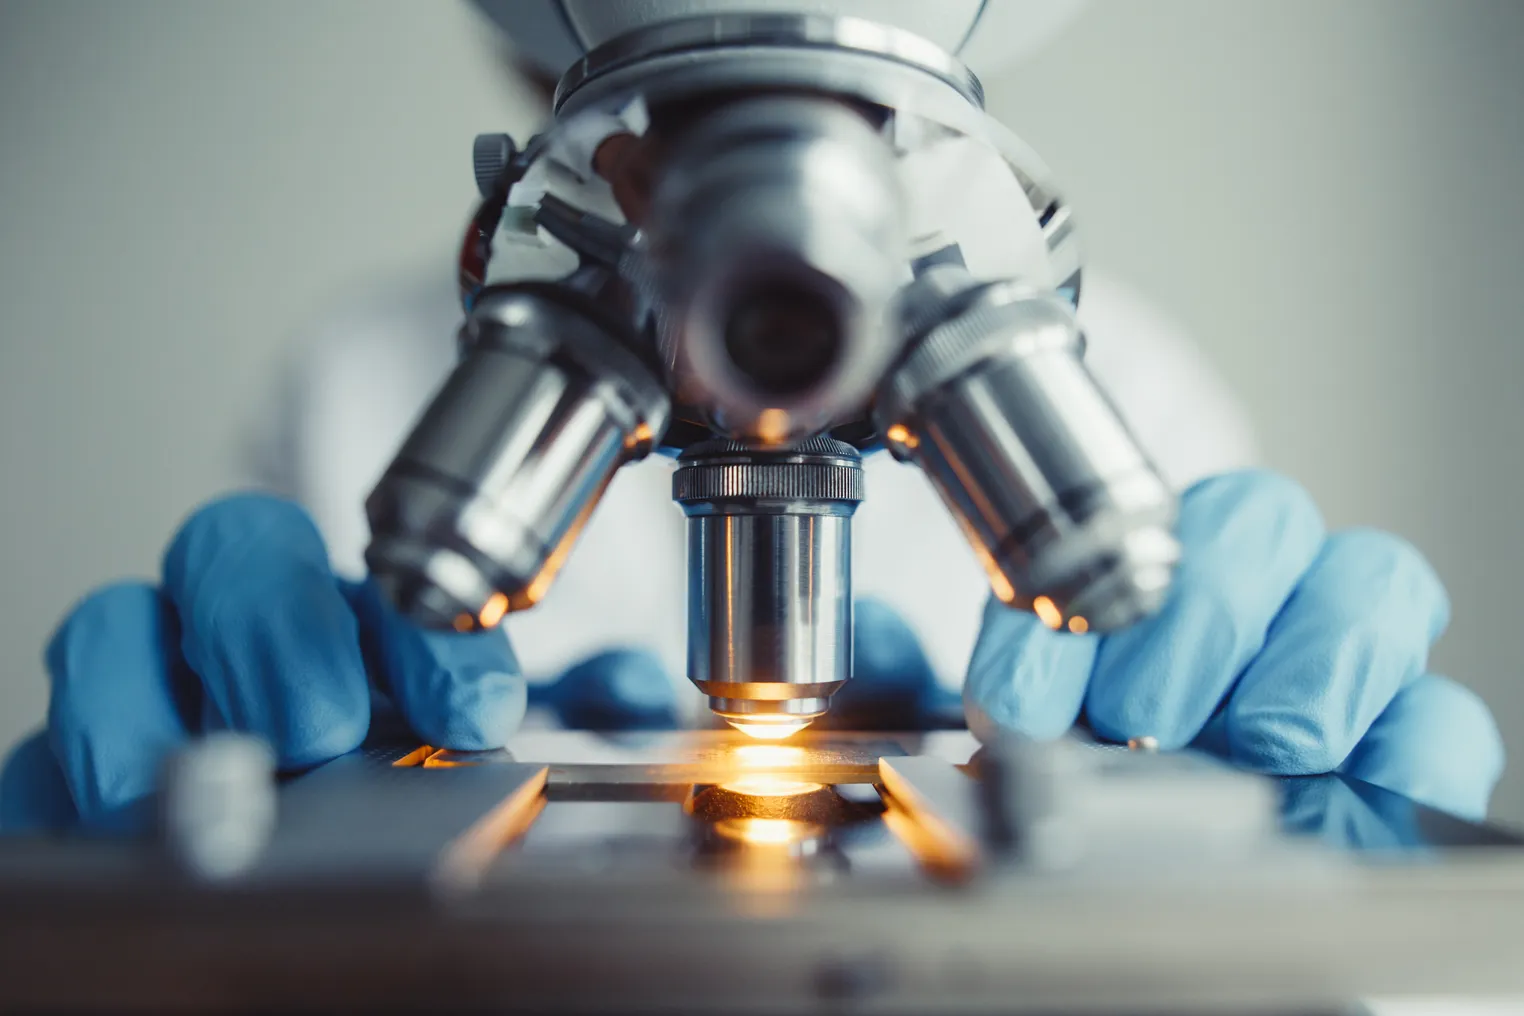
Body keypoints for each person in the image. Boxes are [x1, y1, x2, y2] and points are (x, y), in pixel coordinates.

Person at [0, 0, 1505, 835]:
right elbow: (270, 885)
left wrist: (1308, 899)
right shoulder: (357, 381)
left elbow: (1200, 876)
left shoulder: (1139, 389)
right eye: (679, 120)